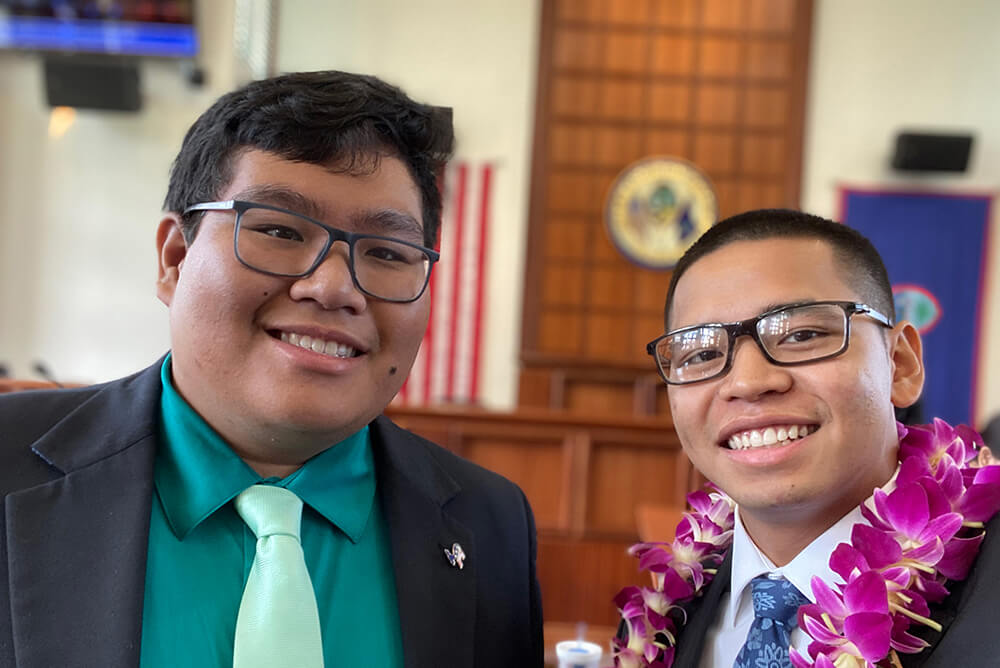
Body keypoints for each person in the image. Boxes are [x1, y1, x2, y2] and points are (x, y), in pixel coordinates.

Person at [0, 71, 542, 667]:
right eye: (280, 230)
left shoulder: (490, 527)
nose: (334, 288)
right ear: (175, 260)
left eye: (388, 253)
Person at [614, 209, 1000, 668]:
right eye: (701, 352)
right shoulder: (665, 617)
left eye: (801, 334)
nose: (749, 382)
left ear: (900, 364)